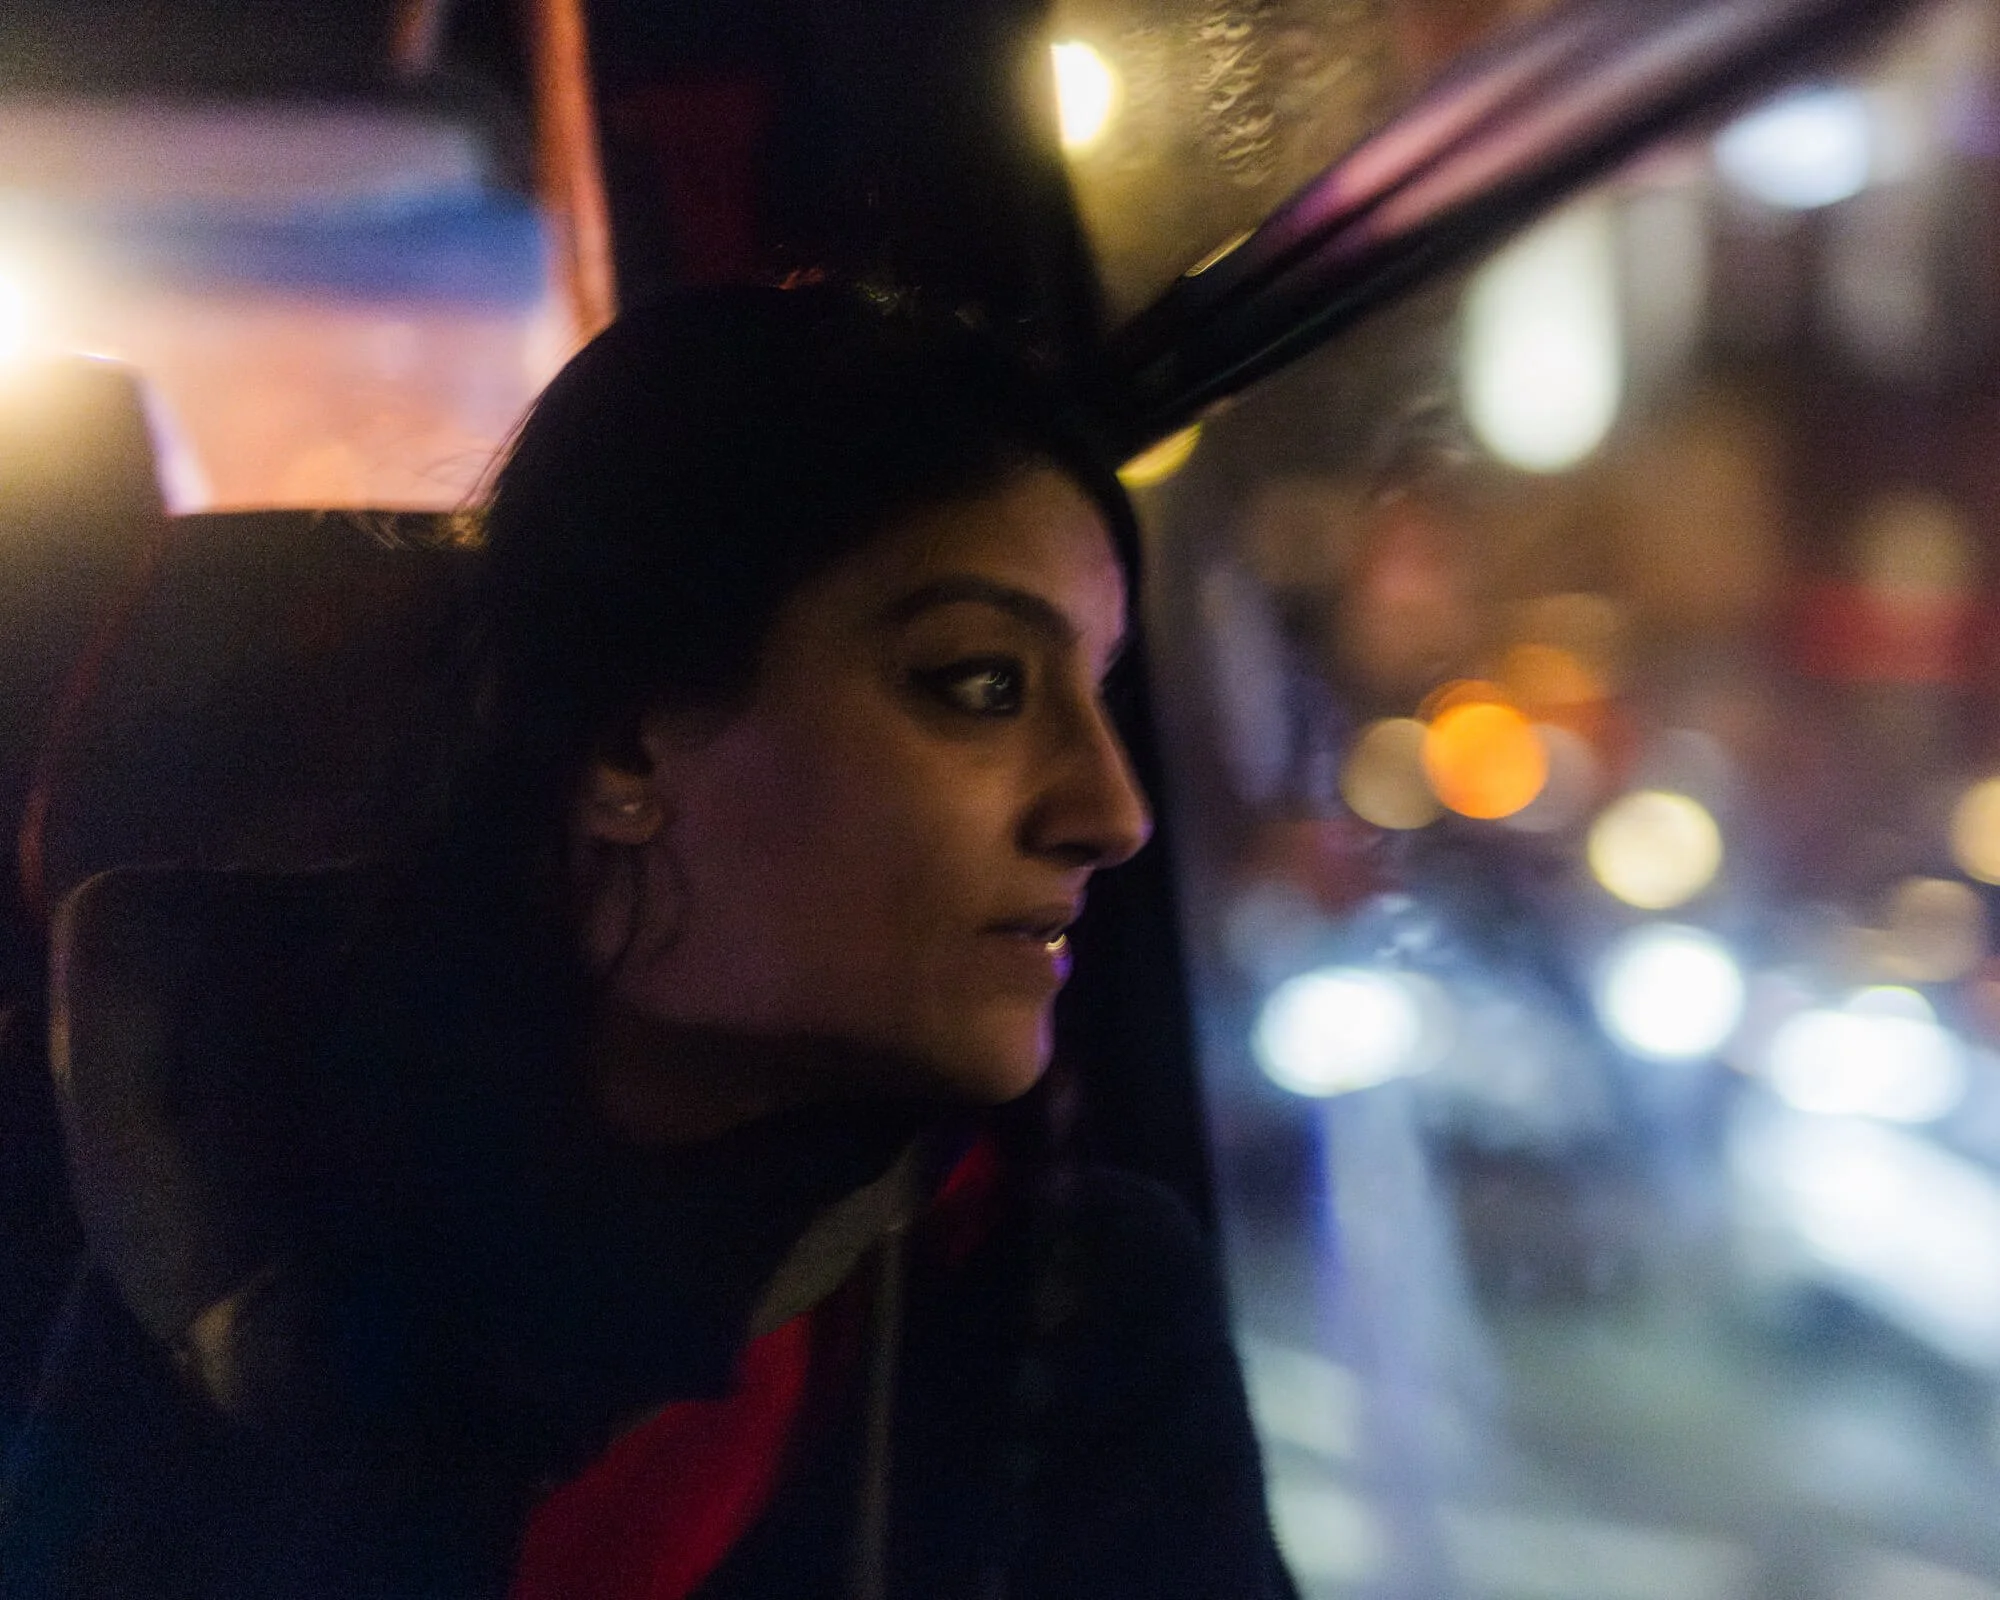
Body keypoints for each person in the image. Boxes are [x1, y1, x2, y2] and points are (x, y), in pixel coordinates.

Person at [31, 284, 1296, 1598]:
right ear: (626, 740)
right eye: (979, 683)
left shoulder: (1057, 1301)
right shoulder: (128, 1171)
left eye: (1094, 693)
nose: (1114, 813)